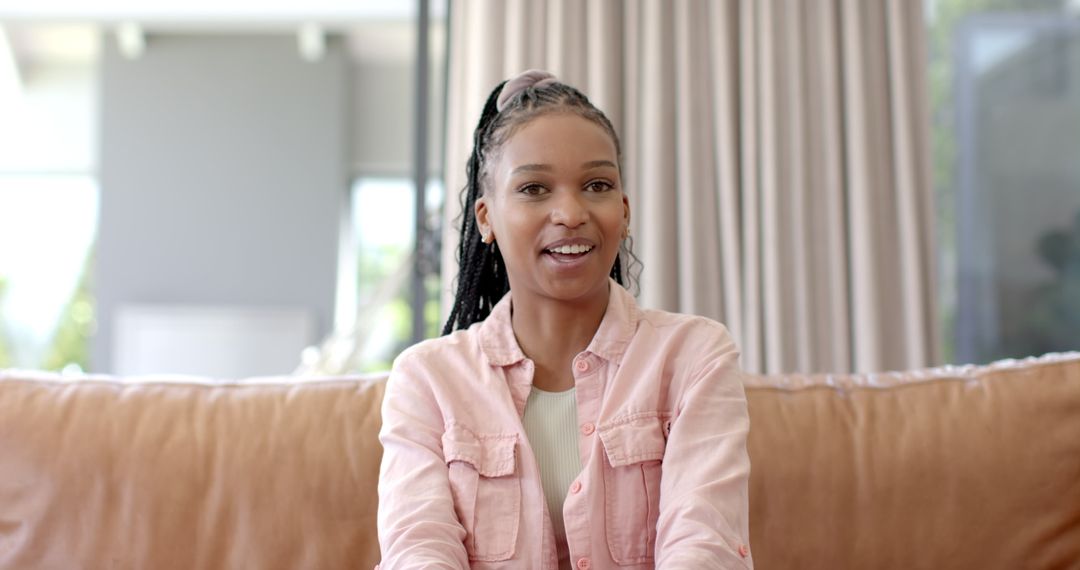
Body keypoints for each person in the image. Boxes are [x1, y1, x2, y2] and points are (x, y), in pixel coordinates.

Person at [377, 70, 753, 569]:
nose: (571, 212)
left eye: (596, 185)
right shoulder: (427, 379)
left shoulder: (694, 357)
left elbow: (704, 547)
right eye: (534, 188)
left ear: (623, 209)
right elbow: (418, 550)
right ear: (486, 217)